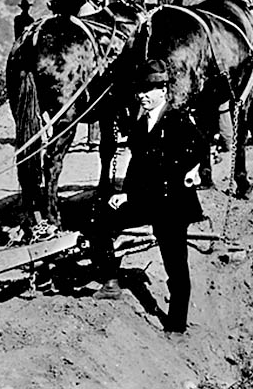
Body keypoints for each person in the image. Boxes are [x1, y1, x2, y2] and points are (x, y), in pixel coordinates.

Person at [86, 59, 205, 334]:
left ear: (164, 90)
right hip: (146, 200)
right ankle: (111, 280)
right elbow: (137, 165)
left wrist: (194, 169)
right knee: (99, 217)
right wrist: (125, 193)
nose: (144, 95)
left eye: (150, 90)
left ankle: (176, 325)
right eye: (140, 90)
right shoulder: (140, 126)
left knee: (175, 265)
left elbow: (199, 147)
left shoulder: (178, 119)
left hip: (172, 204)